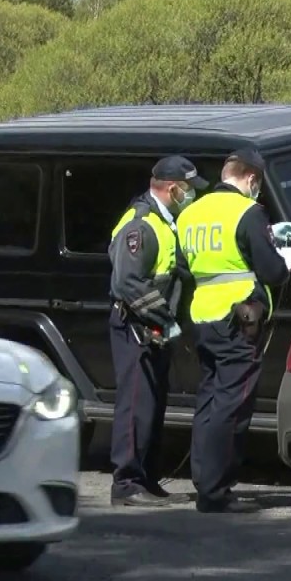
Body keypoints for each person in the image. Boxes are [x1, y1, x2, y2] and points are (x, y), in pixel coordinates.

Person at [176, 148, 291, 513]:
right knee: (233, 406)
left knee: (209, 402)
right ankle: (216, 492)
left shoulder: (190, 214)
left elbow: (183, 268)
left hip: (202, 319)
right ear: (252, 179)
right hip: (239, 322)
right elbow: (273, 272)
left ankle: (203, 480)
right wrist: (282, 256)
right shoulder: (248, 212)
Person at [107, 155, 208, 507]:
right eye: (189, 189)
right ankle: (126, 483)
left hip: (154, 328)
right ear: (172, 188)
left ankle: (147, 478)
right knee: (135, 404)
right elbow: (128, 283)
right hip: (137, 326)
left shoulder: (167, 223)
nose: (192, 195)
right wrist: (164, 319)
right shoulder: (142, 225)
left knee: (152, 404)